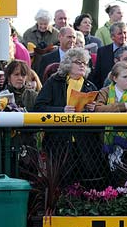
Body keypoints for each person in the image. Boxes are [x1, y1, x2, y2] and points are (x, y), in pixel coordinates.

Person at [34, 48, 101, 185]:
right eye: (78, 62)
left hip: (85, 145)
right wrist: (61, 110)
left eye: (85, 63)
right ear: (68, 64)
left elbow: (98, 116)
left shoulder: (90, 86)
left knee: (84, 183)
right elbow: (38, 108)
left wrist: (93, 109)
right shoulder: (54, 82)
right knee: (61, 183)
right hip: (58, 142)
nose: (83, 65)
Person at [90, 22, 127, 88]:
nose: (123, 36)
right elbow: (97, 75)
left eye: (125, 33)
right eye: (119, 33)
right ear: (112, 37)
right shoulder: (102, 51)